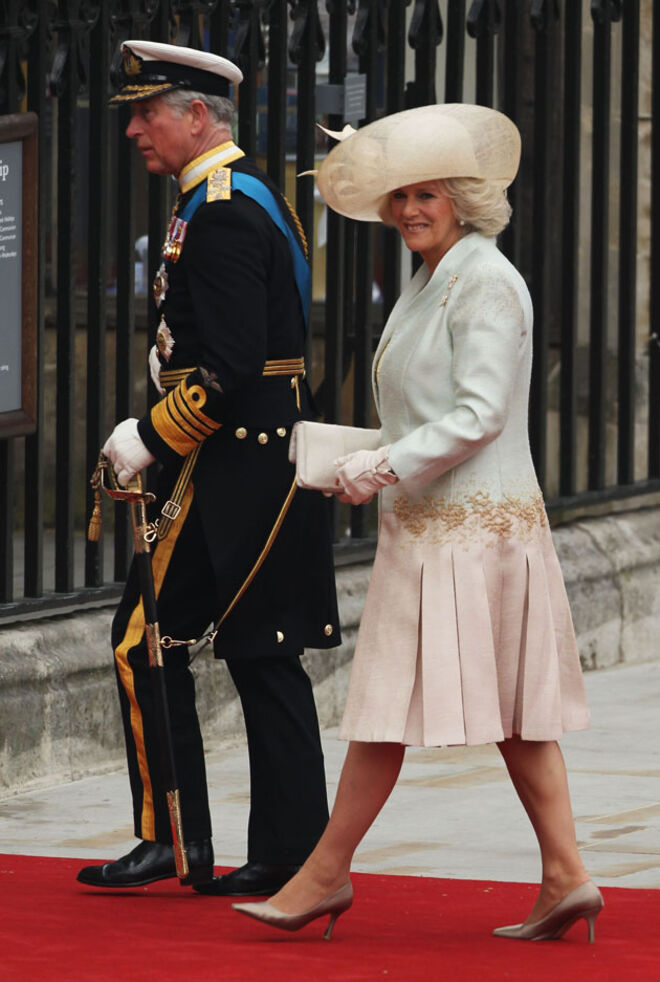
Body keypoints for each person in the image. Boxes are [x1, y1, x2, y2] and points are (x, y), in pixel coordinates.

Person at [232, 103, 604, 940]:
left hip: (470, 536)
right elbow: (436, 412)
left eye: (425, 194)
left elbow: (479, 414)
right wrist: (354, 452)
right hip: (448, 528)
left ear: (464, 200)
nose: (408, 210)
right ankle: (567, 874)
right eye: (400, 196)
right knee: (511, 717)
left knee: (387, 712)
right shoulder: (437, 276)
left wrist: (384, 464)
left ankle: (324, 876)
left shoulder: (486, 280)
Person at [76, 40, 341, 897]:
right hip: (252, 460)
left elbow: (228, 367)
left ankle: (188, 841)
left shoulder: (224, 210)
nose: (132, 131)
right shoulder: (240, 195)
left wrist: (150, 436)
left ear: (197, 116)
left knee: (149, 642)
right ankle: (274, 852)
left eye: (145, 113)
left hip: (231, 462)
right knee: (258, 653)